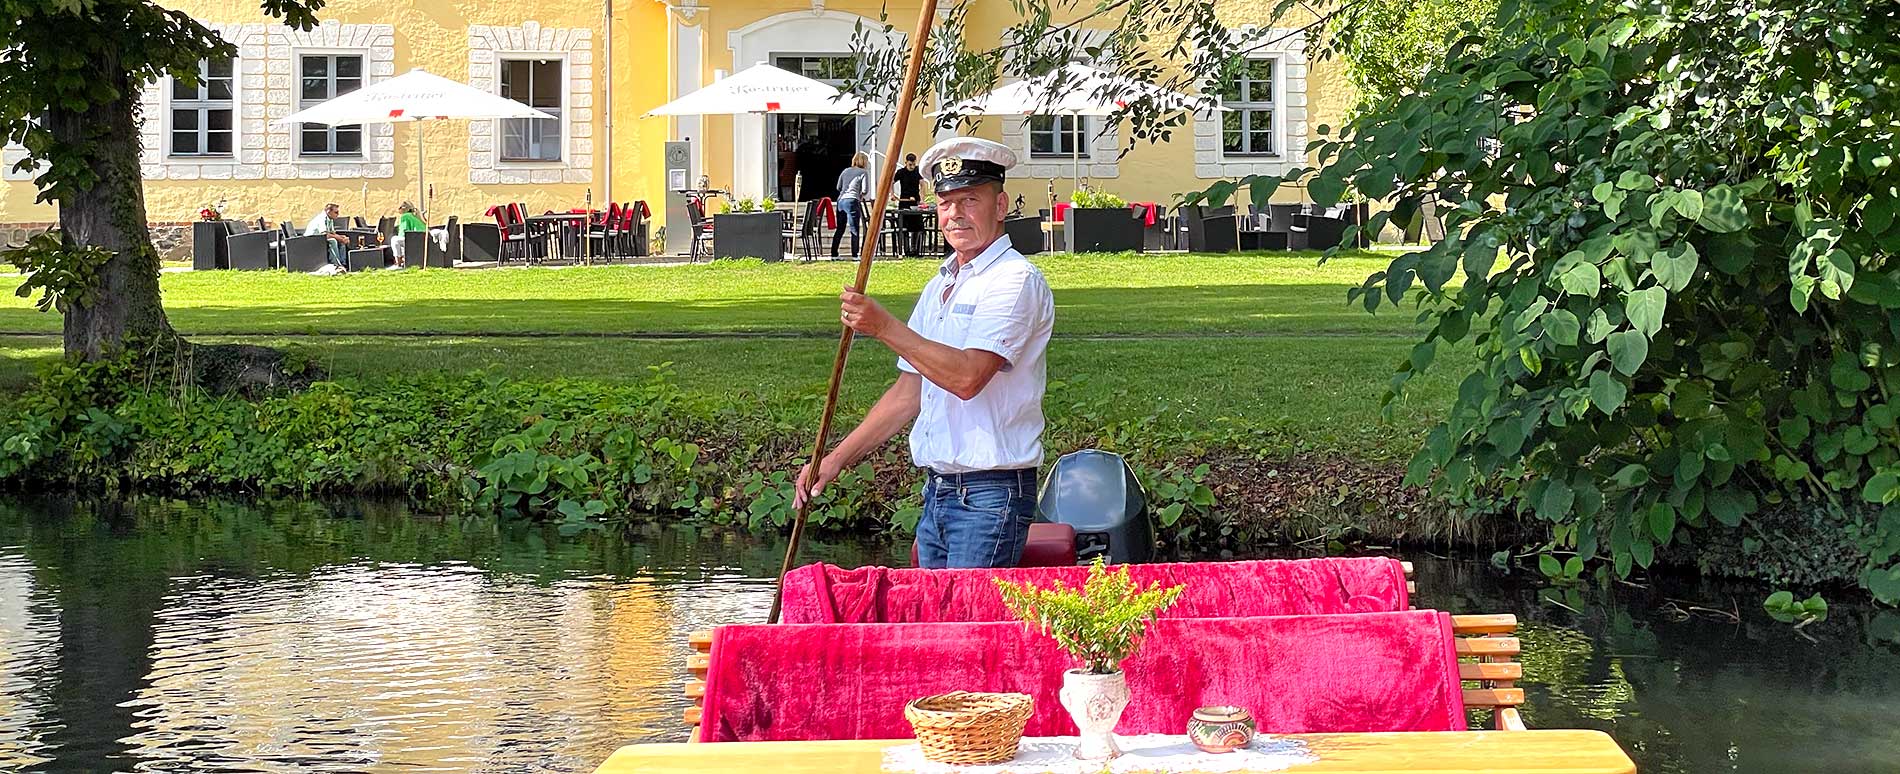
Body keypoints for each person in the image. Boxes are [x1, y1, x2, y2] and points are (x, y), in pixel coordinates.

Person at [796, 137, 1055, 568]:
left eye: (970, 200)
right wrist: (836, 459)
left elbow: (967, 378)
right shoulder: (940, 285)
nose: (956, 214)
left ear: (1001, 204)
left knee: (965, 630)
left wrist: (884, 327)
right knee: (935, 627)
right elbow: (909, 392)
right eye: (946, 202)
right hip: (938, 492)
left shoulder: (1014, 281)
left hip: (990, 494)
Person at [831, 151, 870, 258]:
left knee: (840, 228)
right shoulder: (863, 172)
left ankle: (834, 254)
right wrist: (860, 195)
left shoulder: (845, 171)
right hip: (852, 200)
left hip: (841, 201)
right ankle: (854, 254)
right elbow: (865, 190)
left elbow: (838, 187)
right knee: (854, 228)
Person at [893, 153, 927, 256]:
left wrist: (922, 198)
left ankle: (914, 249)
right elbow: (891, 182)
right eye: (910, 165)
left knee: (917, 225)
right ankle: (906, 250)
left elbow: (922, 184)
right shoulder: (901, 172)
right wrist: (892, 194)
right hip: (904, 202)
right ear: (906, 163)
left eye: (913, 164)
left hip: (915, 202)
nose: (912, 167)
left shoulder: (917, 171)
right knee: (904, 226)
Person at [303, 202, 350, 268]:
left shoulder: (330, 219)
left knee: (341, 241)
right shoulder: (321, 219)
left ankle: (343, 264)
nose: (338, 214)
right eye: (336, 212)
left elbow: (332, 233)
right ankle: (336, 264)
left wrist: (342, 238)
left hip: (319, 239)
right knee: (333, 241)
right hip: (310, 240)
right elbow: (325, 234)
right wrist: (340, 238)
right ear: (328, 211)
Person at [387, 201, 427, 267]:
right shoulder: (415, 216)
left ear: (404, 209)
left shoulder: (405, 216)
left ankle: (398, 261)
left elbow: (403, 233)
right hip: (422, 239)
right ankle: (402, 258)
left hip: (416, 240)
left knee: (394, 239)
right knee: (401, 240)